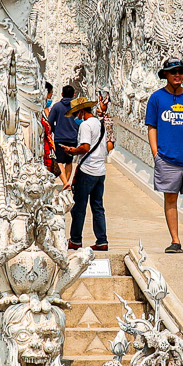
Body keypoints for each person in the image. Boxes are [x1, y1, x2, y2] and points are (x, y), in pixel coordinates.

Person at [144, 59, 183, 253]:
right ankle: (175, 240)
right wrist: (156, 154)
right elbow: (152, 127)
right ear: (165, 75)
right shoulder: (157, 98)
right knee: (170, 199)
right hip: (167, 158)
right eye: (173, 72)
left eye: (180, 72)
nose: (177, 75)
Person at [66, 95, 110, 252]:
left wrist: (71, 150)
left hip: (87, 170)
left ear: (81, 112)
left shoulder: (85, 125)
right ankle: (102, 240)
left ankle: (75, 240)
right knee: (98, 207)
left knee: (79, 207)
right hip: (100, 171)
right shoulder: (99, 123)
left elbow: (85, 147)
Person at [48, 94, 80, 188]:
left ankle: (65, 182)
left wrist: (55, 129)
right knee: (69, 161)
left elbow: (50, 121)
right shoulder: (75, 106)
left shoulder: (57, 106)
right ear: (73, 95)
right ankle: (66, 182)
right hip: (72, 137)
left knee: (59, 161)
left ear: (62, 94)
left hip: (60, 137)